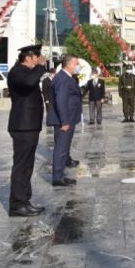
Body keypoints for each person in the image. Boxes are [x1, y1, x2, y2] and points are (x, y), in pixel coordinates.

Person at [6, 44, 47, 217]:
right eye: (36, 57)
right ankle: (17, 204)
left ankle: (24, 201)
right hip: (23, 126)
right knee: (21, 166)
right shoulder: (17, 72)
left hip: (29, 126)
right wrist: (40, 67)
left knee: (27, 166)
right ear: (29, 57)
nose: (39, 60)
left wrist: (38, 68)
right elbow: (30, 82)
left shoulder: (25, 72)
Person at [47, 55, 82, 187]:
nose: (78, 66)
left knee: (64, 147)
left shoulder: (66, 77)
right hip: (64, 120)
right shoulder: (62, 78)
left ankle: (60, 174)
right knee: (61, 148)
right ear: (68, 64)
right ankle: (57, 177)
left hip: (69, 118)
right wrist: (65, 122)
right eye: (76, 64)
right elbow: (61, 101)